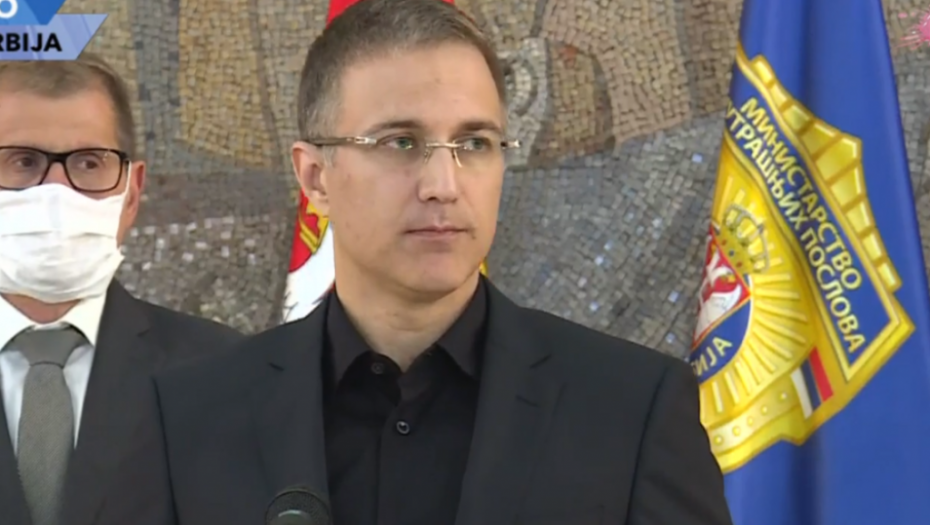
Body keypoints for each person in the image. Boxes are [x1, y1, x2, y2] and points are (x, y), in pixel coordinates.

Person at [103, 0, 733, 523]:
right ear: (316, 177)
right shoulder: (186, 418)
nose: (443, 184)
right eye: (401, 142)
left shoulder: (631, 410)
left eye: (474, 143)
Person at [0, 54, 243, 525]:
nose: (57, 193)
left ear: (131, 193)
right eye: (23, 161)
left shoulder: (226, 376)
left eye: (89, 163)